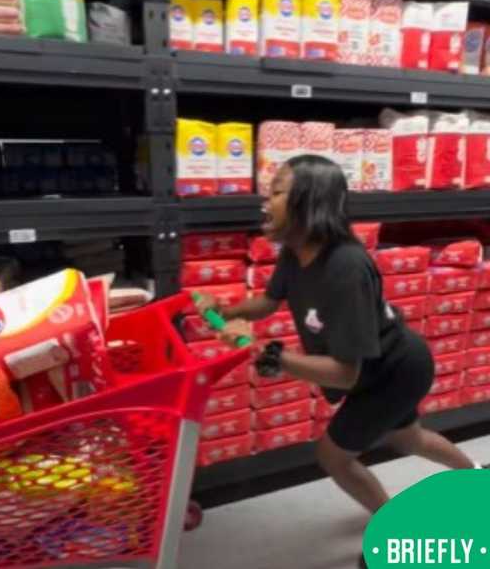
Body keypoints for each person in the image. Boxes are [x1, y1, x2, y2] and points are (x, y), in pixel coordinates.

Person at [196, 155, 481, 569]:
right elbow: (269, 301)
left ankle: (395, 524)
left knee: (333, 455)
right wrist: (227, 308)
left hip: (397, 370)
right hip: (380, 366)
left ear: (309, 203)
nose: (264, 201)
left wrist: (271, 354)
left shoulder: (345, 267)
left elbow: (346, 374)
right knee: (408, 438)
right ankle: (475, 476)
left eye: (277, 192)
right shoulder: (296, 251)